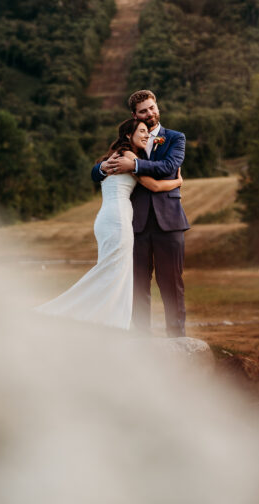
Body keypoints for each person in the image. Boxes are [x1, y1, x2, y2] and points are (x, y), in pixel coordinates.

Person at [36, 118, 182, 329]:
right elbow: (154, 186)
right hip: (119, 218)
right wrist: (178, 182)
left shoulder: (117, 156)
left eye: (147, 132)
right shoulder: (129, 157)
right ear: (128, 136)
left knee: (111, 269)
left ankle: (103, 320)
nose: (146, 135)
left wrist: (101, 168)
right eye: (141, 131)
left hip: (107, 217)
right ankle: (88, 317)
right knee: (114, 270)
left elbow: (99, 172)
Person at [92, 90, 189, 338]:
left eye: (152, 107)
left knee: (171, 284)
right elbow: (97, 171)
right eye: (144, 111)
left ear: (157, 106)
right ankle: (142, 340)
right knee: (137, 286)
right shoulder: (129, 142)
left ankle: (177, 338)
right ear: (135, 115)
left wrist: (134, 165)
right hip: (134, 223)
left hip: (169, 221)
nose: (150, 113)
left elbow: (168, 167)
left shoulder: (176, 138)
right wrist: (101, 168)